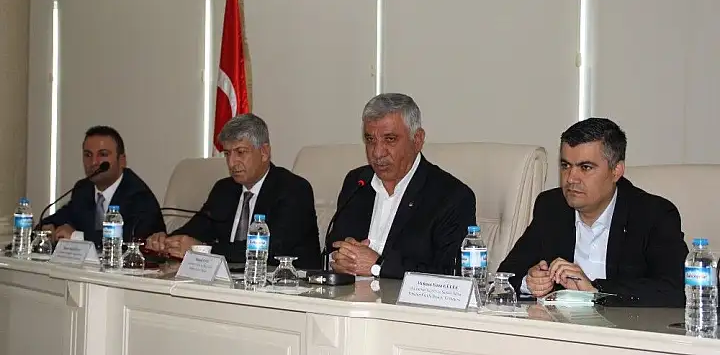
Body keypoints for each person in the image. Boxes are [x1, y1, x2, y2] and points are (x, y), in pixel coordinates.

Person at [497, 118, 688, 307]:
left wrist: (596, 291)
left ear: (616, 171)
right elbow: (505, 275)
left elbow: (674, 289)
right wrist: (530, 282)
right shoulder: (552, 206)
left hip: (624, 325)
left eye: (585, 167)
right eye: (565, 166)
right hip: (559, 323)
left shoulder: (653, 214)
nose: (571, 178)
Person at [326, 93, 476, 279]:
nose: (377, 153)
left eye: (390, 139)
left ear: (417, 140)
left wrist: (379, 266)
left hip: (404, 299)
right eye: (370, 140)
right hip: (349, 296)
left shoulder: (452, 196)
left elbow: (452, 275)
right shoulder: (357, 182)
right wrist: (340, 257)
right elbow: (332, 248)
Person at [145, 114, 321, 269]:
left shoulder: (294, 189)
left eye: (240, 152)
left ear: (264, 152)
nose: (231, 163)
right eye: (227, 154)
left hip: (288, 285)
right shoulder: (224, 189)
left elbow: (272, 249)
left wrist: (202, 250)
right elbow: (196, 230)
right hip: (231, 283)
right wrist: (165, 241)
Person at [40, 126, 165, 247]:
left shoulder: (139, 196)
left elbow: (132, 240)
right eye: (88, 155)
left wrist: (77, 237)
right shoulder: (83, 189)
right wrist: (48, 227)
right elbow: (56, 219)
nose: (93, 162)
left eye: (103, 154)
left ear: (122, 160)